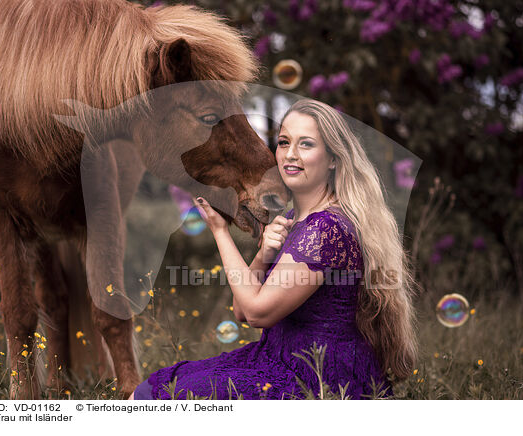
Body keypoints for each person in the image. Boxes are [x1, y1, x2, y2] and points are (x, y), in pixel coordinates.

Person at [129, 98, 418, 400]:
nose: (290, 155)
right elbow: (241, 309)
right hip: (276, 361)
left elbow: (256, 313)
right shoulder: (294, 220)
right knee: (151, 389)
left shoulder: (325, 229)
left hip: (317, 379)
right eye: (283, 142)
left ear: (333, 158)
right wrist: (262, 255)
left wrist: (219, 231)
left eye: (306, 144)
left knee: (153, 398)